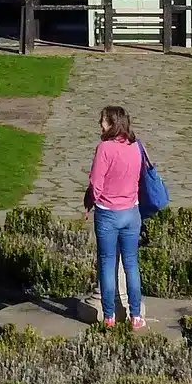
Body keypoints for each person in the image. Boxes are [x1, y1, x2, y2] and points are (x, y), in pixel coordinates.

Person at [84, 104, 144, 329]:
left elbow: (96, 183)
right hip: (131, 212)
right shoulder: (135, 146)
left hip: (108, 213)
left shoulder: (105, 148)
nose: (100, 124)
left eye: (104, 120)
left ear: (112, 123)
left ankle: (109, 316)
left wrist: (95, 200)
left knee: (107, 264)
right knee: (131, 264)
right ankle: (135, 315)